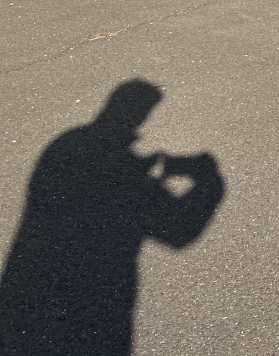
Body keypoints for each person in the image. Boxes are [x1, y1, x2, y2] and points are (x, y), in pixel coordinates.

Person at [0, 79, 224, 355]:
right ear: (141, 116)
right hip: (93, 310)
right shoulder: (125, 173)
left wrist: (147, 167)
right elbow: (179, 231)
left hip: (24, 297)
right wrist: (209, 182)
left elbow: (92, 178)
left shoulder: (67, 144)